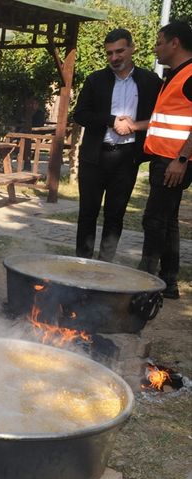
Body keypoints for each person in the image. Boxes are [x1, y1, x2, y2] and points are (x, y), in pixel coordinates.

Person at [72, 28, 162, 262]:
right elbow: (80, 114)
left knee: (115, 215)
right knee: (87, 213)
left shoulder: (151, 82)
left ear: (132, 48)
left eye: (120, 51)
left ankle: (105, 265)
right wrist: (112, 121)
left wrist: (134, 126)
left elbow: (160, 117)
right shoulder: (95, 80)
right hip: (94, 157)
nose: (115, 57)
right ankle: (82, 262)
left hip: (127, 157)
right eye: (110, 53)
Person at [137, 21, 192, 299]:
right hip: (165, 158)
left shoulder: (190, 74)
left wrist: (181, 159)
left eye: (159, 41)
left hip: (175, 161)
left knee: (154, 220)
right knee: (167, 220)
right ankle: (168, 282)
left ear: (175, 43)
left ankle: (143, 281)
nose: (155, 47)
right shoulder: (174, 75)